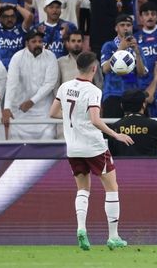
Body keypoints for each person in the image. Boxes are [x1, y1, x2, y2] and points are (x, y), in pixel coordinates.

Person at [49, 51, 133, 251]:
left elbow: (53, 113)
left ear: (78, 66)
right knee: (112, 187)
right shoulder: (93, 90)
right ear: (94, 69)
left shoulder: (65, 87)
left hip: (73, 147)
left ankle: (81, 228)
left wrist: (74, 119)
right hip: (93, 147)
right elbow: (95, 120)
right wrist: (115, 135)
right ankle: (113, 237)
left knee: (82, 189)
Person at [3, 29, 59, 140]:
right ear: (26, 43)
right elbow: (11, 83)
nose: (38, 44)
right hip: (20, 109)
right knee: (17, 141)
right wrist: (7, 107)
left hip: (43, 110)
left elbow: (50, 83)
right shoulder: (17, 57)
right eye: (34, 41)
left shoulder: (50, 56)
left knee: (48, 137)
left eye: (40, 41)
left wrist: (32, 101)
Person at [100, 14, 147, 119]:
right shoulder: (109, 46)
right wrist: (120, 49)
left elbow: (142, 73)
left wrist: (137, 53)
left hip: (133, 94)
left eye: (128, 25)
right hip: (113, 93)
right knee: (112, 127)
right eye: (122, 25)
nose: (126, 28)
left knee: (133, 127)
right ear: (116, 28)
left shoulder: (137, 48)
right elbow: (105, 69)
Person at [108, 89, 157, 157]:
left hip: (122, 163)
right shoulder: (154, 125)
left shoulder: (115, 127)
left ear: (121, 105)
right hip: (150, 163)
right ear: (143, 105)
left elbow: (112, 151)